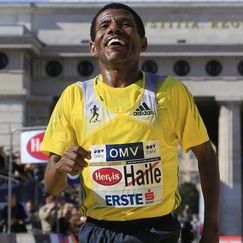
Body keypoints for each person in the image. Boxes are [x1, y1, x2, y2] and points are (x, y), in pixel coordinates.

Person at [41, 3, 220, 243]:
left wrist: (211, 230)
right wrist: (62, 165)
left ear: (143, 43)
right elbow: (51, 187)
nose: (114, 28)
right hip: (98, 232)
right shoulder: (74, 97)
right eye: (104, 26)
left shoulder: (170, 92)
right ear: (93, 47)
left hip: (157, 231)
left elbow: (206, 156)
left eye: (125, 24)